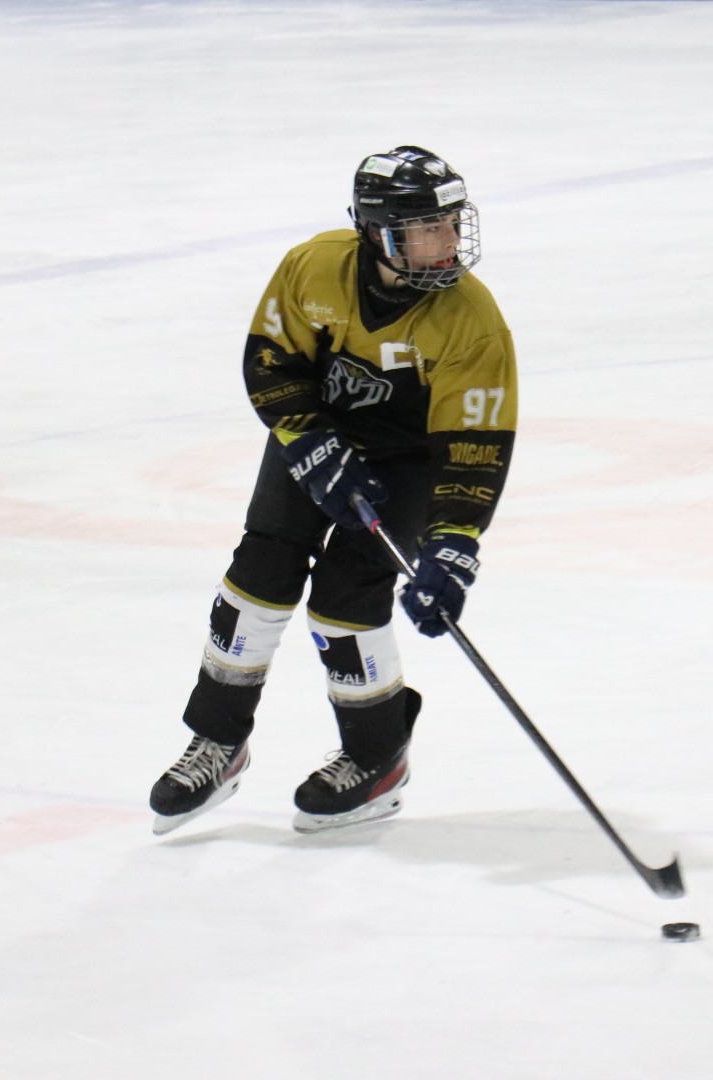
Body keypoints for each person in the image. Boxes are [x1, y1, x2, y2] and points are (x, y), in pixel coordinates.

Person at [148, 146, 518, 835]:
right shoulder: (313, 267)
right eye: (426, 228)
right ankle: (218, 742)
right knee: (257, 576)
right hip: (317, 436)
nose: (446, 241)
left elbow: (475, 444)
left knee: (346, 603)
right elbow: (270, 361)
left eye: (450, 223)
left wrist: (452, 544)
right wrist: (310, 439)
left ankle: (377, 758)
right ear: (378, 232)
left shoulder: (472, 320)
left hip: (409, 462)